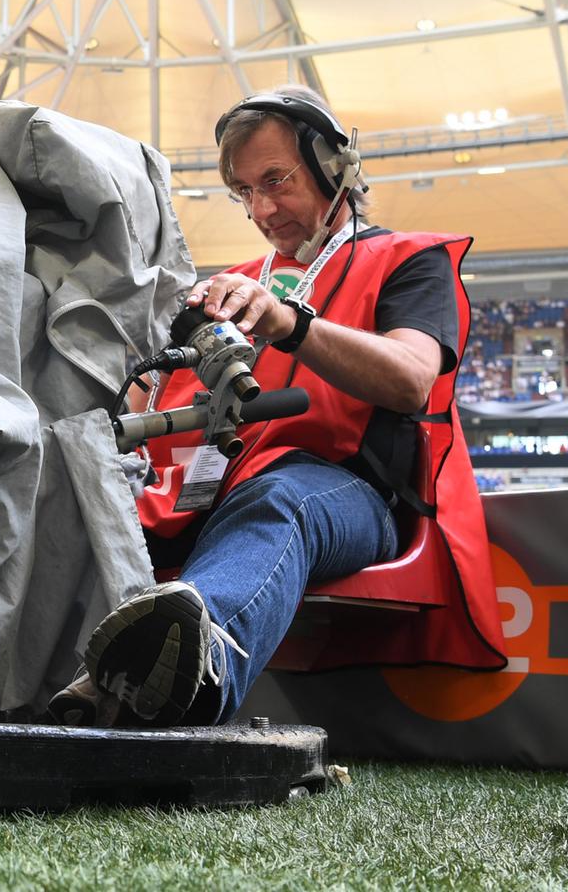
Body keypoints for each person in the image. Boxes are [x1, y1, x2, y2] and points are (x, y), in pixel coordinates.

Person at [53, 85, 504, 727]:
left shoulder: (410, 261)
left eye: (277, 180)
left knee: (280, 495)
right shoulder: (235, 281)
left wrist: (290, 323)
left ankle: (199, 672)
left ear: (332, 166)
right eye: (244, 191)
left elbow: (410, 379)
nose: (262, 208)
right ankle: (72, 682)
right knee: (89, 499)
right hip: (216, 492)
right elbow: (143, 391)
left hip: (348, 494)